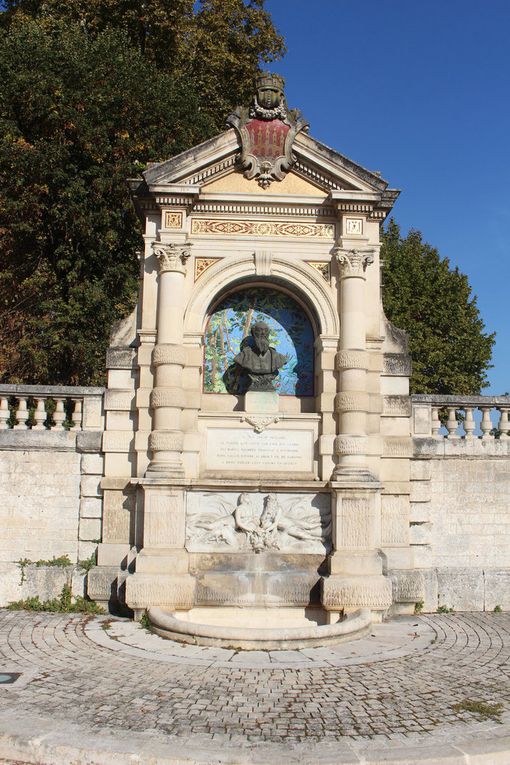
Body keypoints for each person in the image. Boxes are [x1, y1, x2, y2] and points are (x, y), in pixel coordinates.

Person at [234, 321, 286, 391]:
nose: (263, 333)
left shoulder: (276, 357)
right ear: (254, 334)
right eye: (259, 330)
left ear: (268, 334)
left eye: (265, 331)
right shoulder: (244, 355)